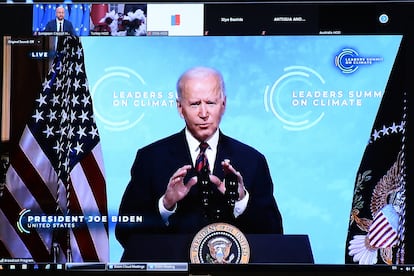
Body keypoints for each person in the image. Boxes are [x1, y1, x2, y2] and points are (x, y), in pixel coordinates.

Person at [115, 66, 283, 253]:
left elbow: (274, 235)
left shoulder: (252, 160)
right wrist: (165, 205)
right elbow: (125, 232)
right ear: (180, 108)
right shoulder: (150, 158)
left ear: (224, 104)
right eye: (195, 104)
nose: (204, 113)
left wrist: (241, 201)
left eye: (211, 103)